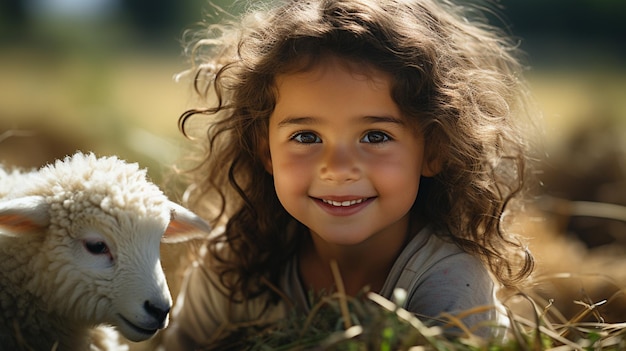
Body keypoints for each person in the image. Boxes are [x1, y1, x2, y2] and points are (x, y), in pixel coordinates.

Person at [162, 0, 538, 348]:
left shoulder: (448, 278)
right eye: (306, 136)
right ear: (266, 151)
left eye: (376, 136)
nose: (338, 168)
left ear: (434, 151)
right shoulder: (232, 267)